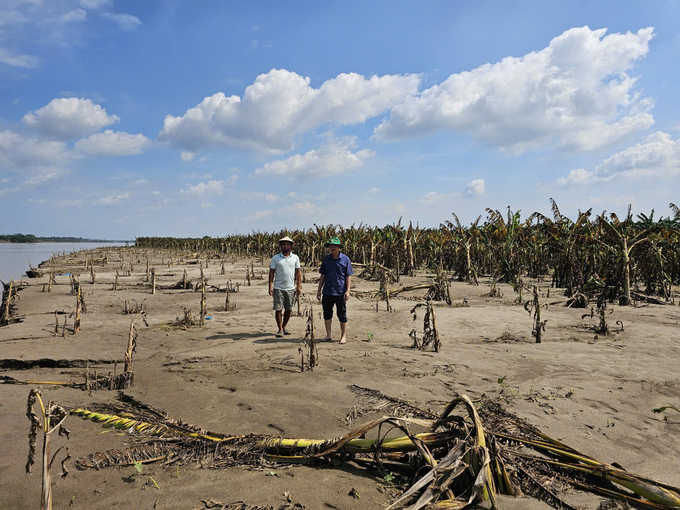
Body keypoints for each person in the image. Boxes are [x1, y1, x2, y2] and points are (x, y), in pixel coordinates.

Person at [316, 237, 354, 344]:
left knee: (341, 314)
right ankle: (328, 334)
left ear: (338, 247)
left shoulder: (345, 259)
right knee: (327, 313)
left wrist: (347, 291)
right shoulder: (326, 260)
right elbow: (323, 275)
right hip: (327, 291)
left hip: (340, 291)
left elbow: (348, 276)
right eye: (330, 246)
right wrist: (319, 290)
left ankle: (343, 336)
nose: (332, 248)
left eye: (334, 246)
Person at [269, 236, 301, 338]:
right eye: (283, 244)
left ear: (291, 246)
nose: (285, 246)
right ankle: (280, 329)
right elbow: (271, 273)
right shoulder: (276, 258)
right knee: (278, 309)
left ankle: (284, 326)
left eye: (288, 244)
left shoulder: (295, 258)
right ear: (281, 246)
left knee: (289, 309)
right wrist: (270, 285)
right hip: (278, 288)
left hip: (291, 288)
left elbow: (298, 273)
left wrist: (299, 286)